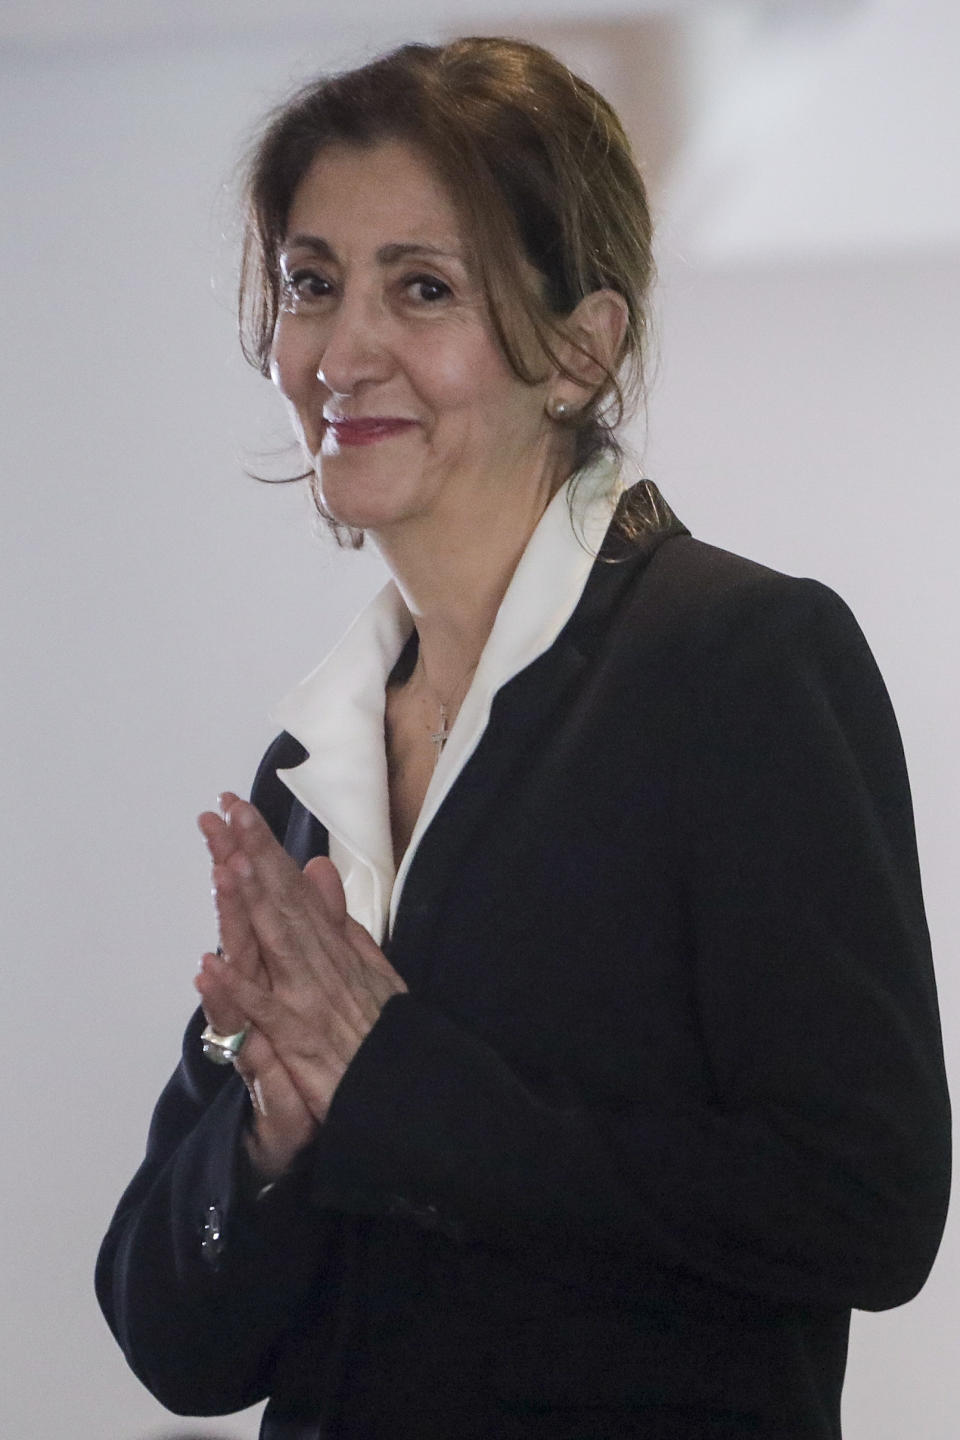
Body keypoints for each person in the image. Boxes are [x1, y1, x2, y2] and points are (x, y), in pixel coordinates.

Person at [96, 36, 951, 1440]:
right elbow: (177, 1344)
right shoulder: (312, 772)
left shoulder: (738, 664)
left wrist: (394, 1090)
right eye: (314, 284)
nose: (340, 350)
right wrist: (270, 1135)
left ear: (581, 345)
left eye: (421, 287)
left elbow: (865, 1208)